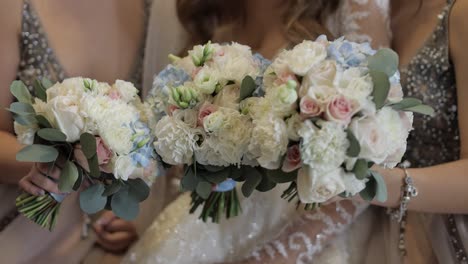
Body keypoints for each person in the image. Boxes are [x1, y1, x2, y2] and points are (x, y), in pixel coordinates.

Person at [123, 0, 391, 263]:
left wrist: (281, 254)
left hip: (308, 226)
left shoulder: (351, 7)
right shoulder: (214, 19)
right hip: (212, 221)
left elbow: (375, 156)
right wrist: (150, 213)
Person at [0, 0, 154, 263]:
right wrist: (50, 163)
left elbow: (159, 138)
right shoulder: (12, 7)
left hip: (102, 232)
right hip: (24, 225)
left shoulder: (154, 9)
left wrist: (134, 215)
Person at [358, 0, 468, 263]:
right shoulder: (362, 14)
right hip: (389, 236)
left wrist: (368, 183)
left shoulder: (461, 13)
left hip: (454, 240)